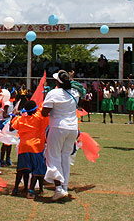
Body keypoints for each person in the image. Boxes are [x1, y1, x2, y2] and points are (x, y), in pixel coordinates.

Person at [41, 70, 82, 201]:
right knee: (65, 158)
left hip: (58, 127)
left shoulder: (53, 93)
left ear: (57, 82)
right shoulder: (75, 92)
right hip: (73, 128)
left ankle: (59, 188)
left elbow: (44, 112)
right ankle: (64, 187)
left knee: (53, 157)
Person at [9, 100, 48, 199]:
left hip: (23, 146)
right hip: (36, 147)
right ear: (35, 109)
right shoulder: (39, 117)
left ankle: (16, 189)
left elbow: (11, 128)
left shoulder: (20, 119)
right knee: (37, 169)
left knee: (22, 169)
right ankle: (30, 191)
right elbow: (44, 108)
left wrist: (13, 116)